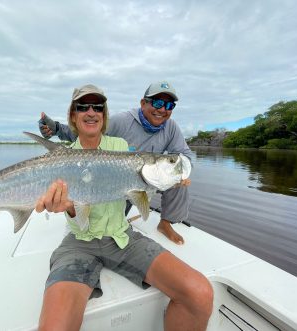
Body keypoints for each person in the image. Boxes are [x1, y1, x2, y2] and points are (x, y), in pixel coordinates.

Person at [35, 84, 213, 331]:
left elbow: (143, 178)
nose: (91, 112)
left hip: (122, 237)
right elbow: (80, 222)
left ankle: (166, 224)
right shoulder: (64, 157)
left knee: (200, 293)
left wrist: (169, 176)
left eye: (97, 107)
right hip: (79, 241)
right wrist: (70, 208)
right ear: (73, 115)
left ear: (104, 115)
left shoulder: (120, 146)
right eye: (82, 107)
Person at [39, 80, 191, 245]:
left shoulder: (171, 127)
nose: (162, 109)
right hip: (119, 180)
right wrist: (57, 129)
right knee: (102, 215)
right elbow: (88, 131)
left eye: (169, 105)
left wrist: (183, 174)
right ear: (143, 103)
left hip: (149, 177)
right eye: (157, 102)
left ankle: (166, 223)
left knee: (178, 174)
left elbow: (185, 154)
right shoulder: (122, 121)